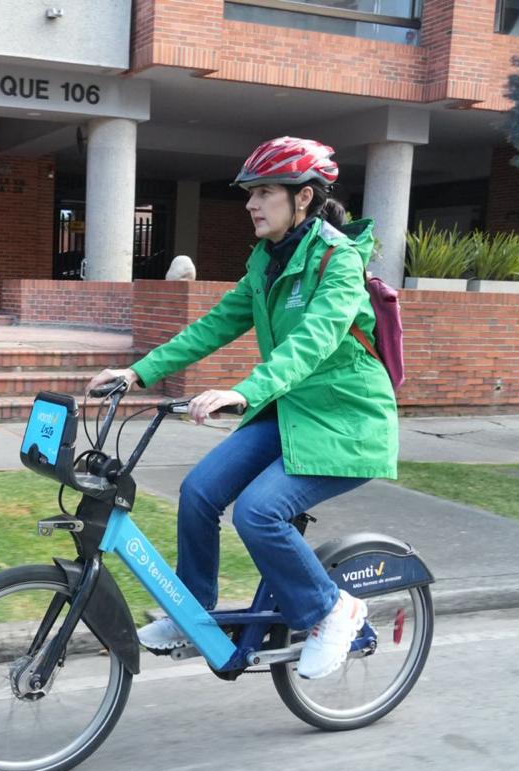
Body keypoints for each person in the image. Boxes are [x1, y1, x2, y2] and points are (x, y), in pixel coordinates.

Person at [87, 136, 398, 680]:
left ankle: (333, 609)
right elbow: (214, 325)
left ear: (303, 198)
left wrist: (244, 391)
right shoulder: (266, 261)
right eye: (249, 194)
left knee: (259, 513)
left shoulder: (338, 260)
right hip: (290, 412)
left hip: (346, 421)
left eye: (265, 192)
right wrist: (139, 372)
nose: (251, 204)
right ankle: (195, 613)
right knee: (200, 492)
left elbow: (317, 340)